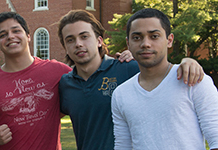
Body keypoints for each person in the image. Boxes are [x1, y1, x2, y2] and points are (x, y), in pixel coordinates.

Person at [57, 10, 204, 150]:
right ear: (65, 47)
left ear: (99, 41)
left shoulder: (127, 68)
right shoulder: (65, 84)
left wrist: (188, 61)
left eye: (84, 36)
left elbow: (163, 70)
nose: (78, 44)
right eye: (70, 40)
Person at [111, 8, 218, 149]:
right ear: (128, 43)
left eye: (154, 36)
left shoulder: (194, 80)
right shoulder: (121, 94)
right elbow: (123, 146)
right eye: (137, 37)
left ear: (169, 40)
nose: (145, 44)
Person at [0, 11, 72, 149]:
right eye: (3, 35)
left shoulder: (58, 71)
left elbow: (82, 97)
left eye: (16, 31)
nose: (10, 36)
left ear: (28, 36)